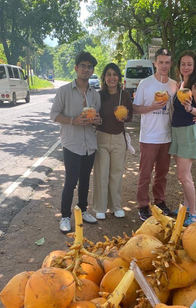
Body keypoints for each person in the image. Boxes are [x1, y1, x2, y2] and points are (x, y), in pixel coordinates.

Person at [50, 51, 102, 233]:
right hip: (72, 143)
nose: (86, 70)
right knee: (71, 181)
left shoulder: (95, 94)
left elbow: (99, 117)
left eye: (89, 67)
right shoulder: (64, 91)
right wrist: (74, 120)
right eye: (83, 66)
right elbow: (54, 114)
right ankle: (65, 216)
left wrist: (97, 120)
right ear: (76, 68)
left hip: (90, 145)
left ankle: (83, 210)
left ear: (92, 70)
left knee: (85, 180)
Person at [132, 48, 177, 221]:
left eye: (167, 62)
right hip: (149, 137)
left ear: (171, 64)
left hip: (167, 137)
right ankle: (143, 205)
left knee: (162, 174)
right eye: (161, 62)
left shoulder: (174, 85)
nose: (164, 66)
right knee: (145, 174)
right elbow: (135, 109)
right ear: (155, 63)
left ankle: (159, 202)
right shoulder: (146, 83)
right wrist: (152, 106)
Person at [170, 50, 196, 226]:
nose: (186, 67)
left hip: (188, 132)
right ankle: (185, 207)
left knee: (183, 176)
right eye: (183, 64)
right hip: (177, 132)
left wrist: (191, 110)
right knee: (186, 175)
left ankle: (193, 213)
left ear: (195, 66)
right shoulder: (181, 84)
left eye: (189, 64)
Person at [92, 63, 133, 220]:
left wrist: (124, 117)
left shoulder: (125, 95)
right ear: (104, 77)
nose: (111, 77)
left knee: (116, 174)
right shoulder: (99, 95)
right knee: (101, 173)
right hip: (101, 136)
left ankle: (116, 206)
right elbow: (94, 117)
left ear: (119, 77)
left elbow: (130, 116)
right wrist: (96, 119)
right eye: (108, 74)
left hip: (118, 138)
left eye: (114, 74)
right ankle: (100, 207)